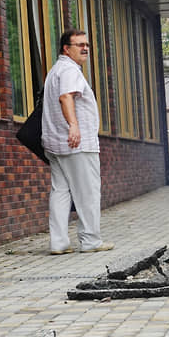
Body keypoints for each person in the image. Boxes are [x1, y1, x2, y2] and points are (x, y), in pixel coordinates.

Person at [41, 28, 113, 255]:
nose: (85, 49)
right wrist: (74, 125)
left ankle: (59, 243)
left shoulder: (55, 71)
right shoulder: (70, 71)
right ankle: (91, 241)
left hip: (55, 143)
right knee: (87, 192)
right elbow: (66, 97)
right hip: (76, 144)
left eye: (87, 45)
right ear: (66, 48)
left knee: (60, 191)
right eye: (79, 45)